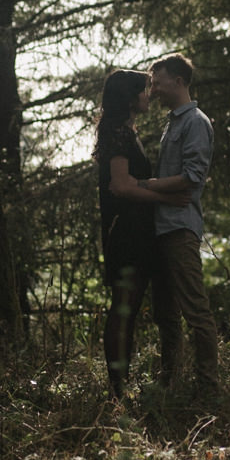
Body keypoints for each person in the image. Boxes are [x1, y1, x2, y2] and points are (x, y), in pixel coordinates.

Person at [145, 53, 220, 397]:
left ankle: (209, 388)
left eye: (158, 81)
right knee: (166, 313)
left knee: (195, 309)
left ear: (178, 81)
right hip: (162, 228)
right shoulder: (173, 123)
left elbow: (192, 176)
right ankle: (168, 383)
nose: (154, 89)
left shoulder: (196, 122)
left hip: (180, 228)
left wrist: (147, 186)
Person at [94, 69, 164, 398]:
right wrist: (164, 195)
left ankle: (119, 386)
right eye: (145, 90)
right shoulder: (118, 133)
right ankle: (117, 389)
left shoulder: (125, 131)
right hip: (126, 232)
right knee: (124, 307)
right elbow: (120, 185)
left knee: (128, 308)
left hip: (134, 230)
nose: (149, 95)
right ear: (130, 96)